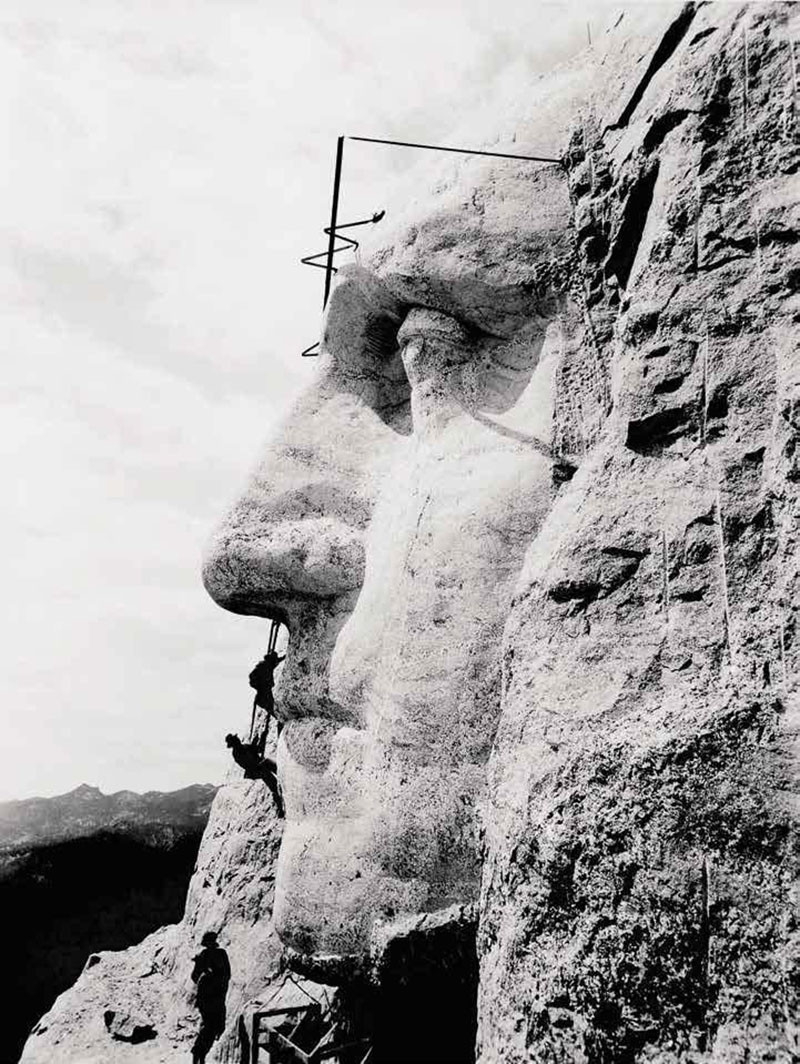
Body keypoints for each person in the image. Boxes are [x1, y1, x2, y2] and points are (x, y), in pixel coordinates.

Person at [190, 931, 231, 1064]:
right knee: (211, 1027)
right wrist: (207, 973)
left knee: (212, 1027)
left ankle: (199, 1054)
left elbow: (195, 977)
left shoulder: (211, 955)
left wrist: (208, 974)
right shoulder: (217, 954)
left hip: (213, 996)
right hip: (211, 997)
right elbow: (195, 976)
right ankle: (198, 1054)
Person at [225, 733, 284, 818]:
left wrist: (260, 740)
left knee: (269, 764)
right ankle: (280, 808)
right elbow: (248, 764)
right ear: (234, 743)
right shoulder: (237, 754)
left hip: (260, 766)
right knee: (271, 781)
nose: (238, 740)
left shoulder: (245, 747)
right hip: (254, 771)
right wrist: (257, 760)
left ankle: (283, 775)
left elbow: (258, 749)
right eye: (236, 740)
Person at [248, 648, 285, 755]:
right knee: (279, 715)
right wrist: (261, 686)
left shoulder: (268, 664)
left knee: (279, 714)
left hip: (266, 696)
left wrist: (284, 657)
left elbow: (276, 661)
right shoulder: (263, 666)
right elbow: (251, 679)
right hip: (263, 698)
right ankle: (280, 740)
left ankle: (280, 738)